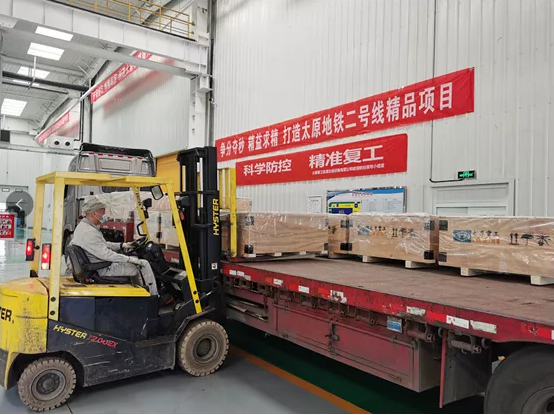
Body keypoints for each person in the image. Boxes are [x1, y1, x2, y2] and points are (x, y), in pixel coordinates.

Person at [70, 196, 158, 296]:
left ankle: (139, 293)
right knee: (143, 264)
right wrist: (129, 259)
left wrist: (122, 245)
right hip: (101, 269)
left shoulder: (84, 227)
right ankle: (153, 295)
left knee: (135, 262)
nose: (105, 214)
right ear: (94, 213)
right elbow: (106, 254)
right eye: (103, 211)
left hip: (96, 265)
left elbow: (101, 245)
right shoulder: (89, 232)